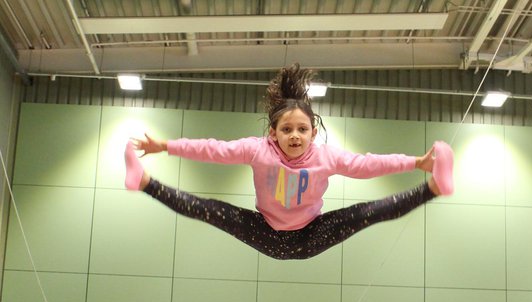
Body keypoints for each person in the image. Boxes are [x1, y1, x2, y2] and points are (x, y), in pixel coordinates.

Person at [124, 63, 453, 260]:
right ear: (273, 132)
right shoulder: (257, 150)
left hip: (311, 234)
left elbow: (366, 165)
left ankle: (433, 186)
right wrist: (164, 145)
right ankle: (144, 182)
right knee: (209, 209)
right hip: (265, 231)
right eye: (287, 129)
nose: (294, 135)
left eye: (302, 129)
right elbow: (213, 149)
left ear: (313, 132)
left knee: (366, 213)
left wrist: (415, 162)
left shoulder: (326, 156)